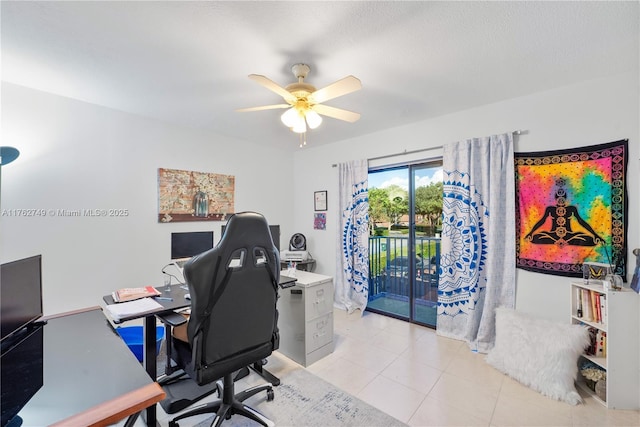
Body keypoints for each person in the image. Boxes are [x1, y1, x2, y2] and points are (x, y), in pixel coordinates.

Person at [525, 178, 603, 247]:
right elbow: (542, 221)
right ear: (556, 199)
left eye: (562, 199)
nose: (561, 200)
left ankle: (567, 241)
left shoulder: (571, 208)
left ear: (565, 199)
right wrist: (531, 232)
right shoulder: (550, 209)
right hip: (553, 235)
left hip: (569, 235)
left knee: (589, 240)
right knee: (536, 238)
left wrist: (595, 235)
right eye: (559, 199)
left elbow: (581, 222)